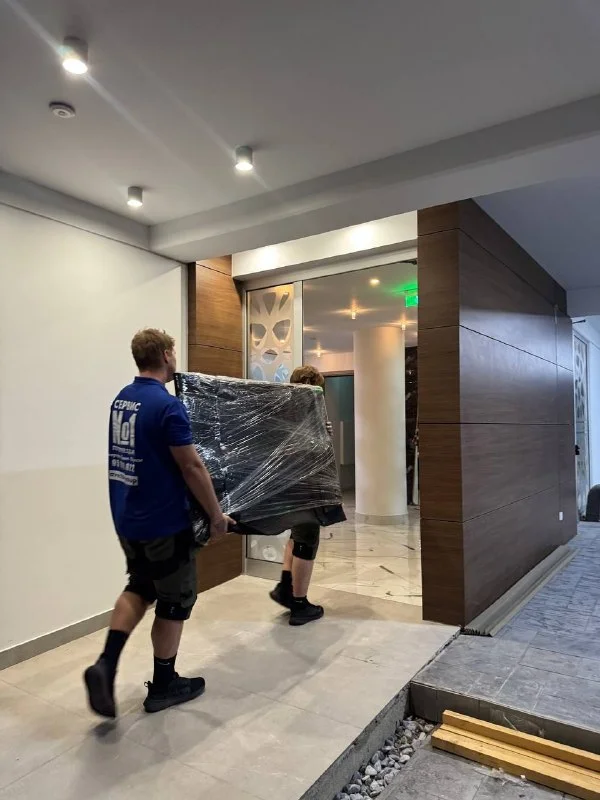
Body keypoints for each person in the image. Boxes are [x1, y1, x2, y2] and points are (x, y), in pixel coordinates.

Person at [84, 328, 232, 717]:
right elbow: (192, 466)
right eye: (174, 352)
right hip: (164, 524)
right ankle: (165, 684)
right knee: (175, 600)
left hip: (128, 519)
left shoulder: (123, 400)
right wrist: (216, 516)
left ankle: (106, 664)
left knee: (141, 585)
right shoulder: (167, 406)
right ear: (166, 355)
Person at [269, 365, 331, 626]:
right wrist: (323, 436)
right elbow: (310, 451)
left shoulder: (282, 409)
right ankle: (299, 603)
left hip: (287, 485)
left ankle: (286, 588)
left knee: (296, 535)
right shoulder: (307, 413)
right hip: (305, 485)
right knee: (307, 539)